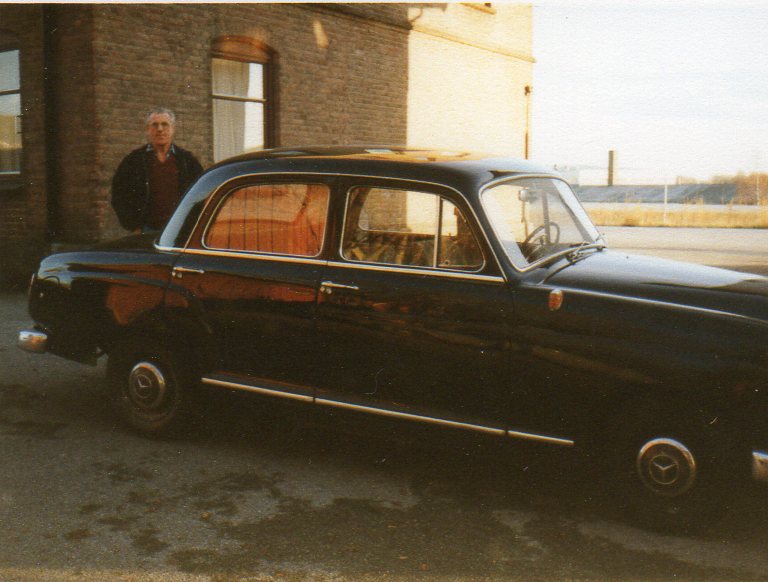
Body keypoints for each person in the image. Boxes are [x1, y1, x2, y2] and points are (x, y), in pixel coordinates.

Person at [111, 107, 203, 233]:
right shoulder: (133, 160)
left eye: (165, 124)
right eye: (155, 125)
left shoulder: (187, 161)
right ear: (148, 129)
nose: (160, 129)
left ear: (173, 129)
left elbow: (201, 192)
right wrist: (134, 227)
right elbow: (119, 195)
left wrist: (192, 223)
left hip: (180, 230)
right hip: (146, 230)